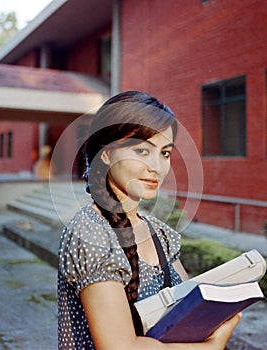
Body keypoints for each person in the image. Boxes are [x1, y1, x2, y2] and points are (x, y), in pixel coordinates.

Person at [57, 91, 241, 349]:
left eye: (165, 153)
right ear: (106, 155)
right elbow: (118, 346)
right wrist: (210, 347)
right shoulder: (91, 232)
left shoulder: (161, 234)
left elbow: (186, 312)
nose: (157, 166)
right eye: (143, 150)